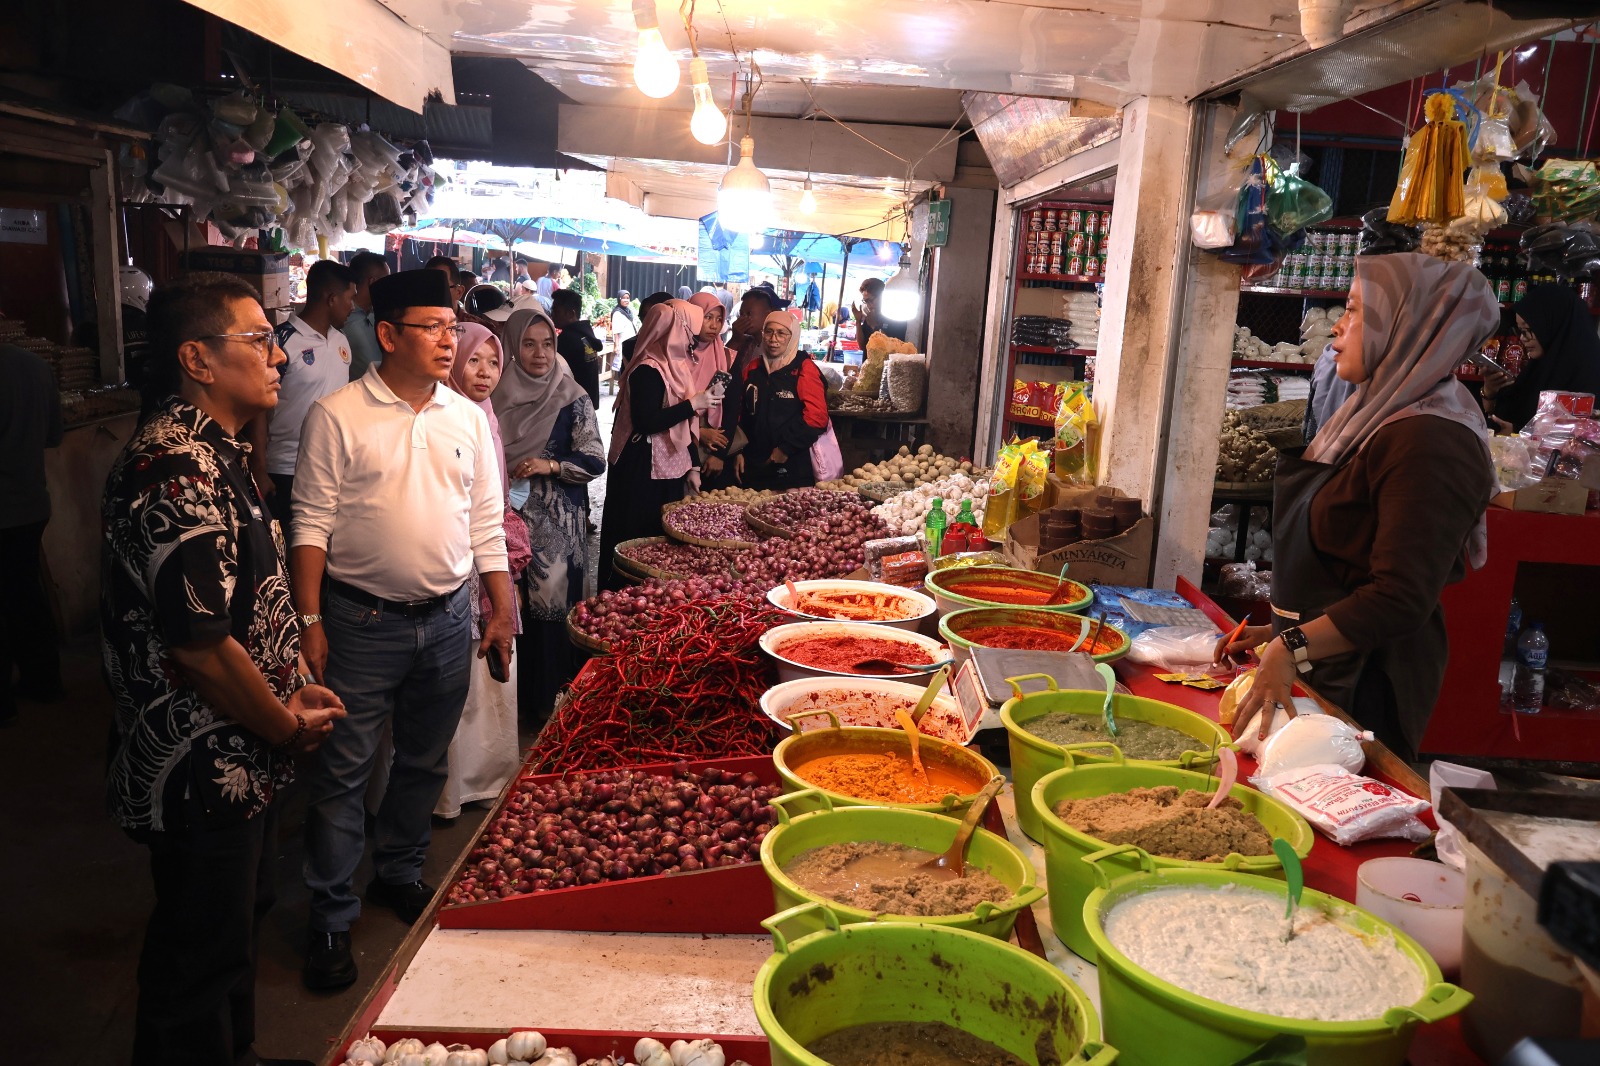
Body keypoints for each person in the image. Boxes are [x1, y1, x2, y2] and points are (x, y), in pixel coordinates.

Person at [102, 273, 346, 1066]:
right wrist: (284, 726)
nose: (277, 357)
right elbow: (200, 645)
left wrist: (289, 680)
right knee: (197, 960)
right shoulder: (174, 466)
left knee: (234, 931)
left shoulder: (221, 451)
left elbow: (242, 604)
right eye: (258, 340)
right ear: (197, 359)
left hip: (243, 753)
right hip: (199, 766)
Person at [291, 268, 512, 990]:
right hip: (359, 623)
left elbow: (485, 524)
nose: (450, 341)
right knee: (343, 771)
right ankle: (330, 915)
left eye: (453, 327)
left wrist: (500, 606)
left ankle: (398, 871)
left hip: (447, 620)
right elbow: (310, 524)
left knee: (422, 759)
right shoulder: (337, 415)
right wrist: (310, 619)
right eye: (433, 328)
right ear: (388, 334)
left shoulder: (467, 417)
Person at [1216, 253, 1500, 759]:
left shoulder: (1431, 440)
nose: (1337, 328)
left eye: (1353, 310)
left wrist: (1290, 646)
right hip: (1324, 665)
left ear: (1410, 325)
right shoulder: (1375, 414)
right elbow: (1347, 561)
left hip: (1366, 681)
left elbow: (1399, 597)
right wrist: (1277, 630)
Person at [493, 307, 607, 722]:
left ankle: (548, 703)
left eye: (546, 344)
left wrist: (551, 466)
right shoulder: (493, 394)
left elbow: (595, 458)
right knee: (509, 607)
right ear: (512, 346)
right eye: (528, 344)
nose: (540, 354)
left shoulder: (572, 396)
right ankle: (511, 705)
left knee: (551, 611)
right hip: (504, 521)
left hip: (557, 526)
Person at [437, 323, 532, 817]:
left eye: (494, 363)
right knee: (460, 672)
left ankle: (486, 777)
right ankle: (451, 789)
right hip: (458, 558)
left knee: (490, 663)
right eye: (473, 360)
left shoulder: (485, 417)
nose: (485, 372)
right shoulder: (445, 418)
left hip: (491, 556)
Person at [598, 300, 714, 591]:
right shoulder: (648, 369)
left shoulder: (676, 367)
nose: (692, 342)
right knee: (634, 540)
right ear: (676, 331)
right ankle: (624, 599)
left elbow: (683, 426)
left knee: (658, 542)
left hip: (668, 467)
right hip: (641, 470)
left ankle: (654, 598)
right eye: (689, 334)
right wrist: (693, 404)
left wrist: (693, 465)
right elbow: (647, 421)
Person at [250, 259, 356, 529]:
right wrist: (259, 468)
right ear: (331, 299)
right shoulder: (282, 341)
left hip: (334, 467)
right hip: (286, 469)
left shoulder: (342, 341)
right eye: (350, 299)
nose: (353, 307)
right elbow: (258, 408)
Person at [0, 342, 64, 722]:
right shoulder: (36, 367)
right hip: (32, 505)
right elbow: (54, 435)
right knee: (25, 594)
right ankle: (44, 681)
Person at [717, 311, 830, 491]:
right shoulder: (753, 368)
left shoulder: (804, 368)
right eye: (768, 332)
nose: (773, 339)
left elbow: (817, 417)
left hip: (792, 468)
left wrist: (786, 448)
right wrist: (738, 449)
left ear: (792, 337)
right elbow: (739, 412)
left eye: (781, 333)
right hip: (754, 466)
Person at [1480, 283, 1600, 431]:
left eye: (1528, 330)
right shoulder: (1538, 368)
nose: (1522, 338)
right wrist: (1490, 391)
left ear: (1553, 325)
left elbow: (1585, 436)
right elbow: (1499, 418)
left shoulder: (1590, 375)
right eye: (1520, 330)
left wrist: (1517, 432)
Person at [687, 290, 734, 478]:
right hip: (676, 444)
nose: (714, 325)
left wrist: (719, 454)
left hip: (711, 447)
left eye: (719, 319)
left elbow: (731, 409)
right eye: (707, 317)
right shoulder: (675, 354)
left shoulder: (727, 358)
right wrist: (698, 432)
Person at [550, 286, 602, 407]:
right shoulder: (586, 333)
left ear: (570, 314)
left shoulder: (567, 339)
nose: (552, 315)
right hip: (589, 399)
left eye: (556, 311)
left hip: (574, 403)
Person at [343, 251, 390, 380]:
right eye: (386, 281)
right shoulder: (342, 319)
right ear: (373, 282)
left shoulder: (380, 315)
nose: (389, 287)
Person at [727, 284, 782, 376]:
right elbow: (722, 366)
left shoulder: (776, 346)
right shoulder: (745, 342)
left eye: (749, 314)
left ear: (768, 315)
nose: (743, 319)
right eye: (741, 314)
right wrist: (735, 340)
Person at [619, 291, 673, 373]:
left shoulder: (684, 348)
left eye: (655, 316)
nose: (648, 320)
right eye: (644, 315)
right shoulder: (630, 346)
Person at [853, 277, 907, 345]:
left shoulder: (897, 316)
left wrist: (874, 326)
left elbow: (892, 347)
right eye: (865, 301)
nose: (868, 305)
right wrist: (858, 321)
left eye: (870, 300)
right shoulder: (871, 315)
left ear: (881, 296)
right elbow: (862, 345)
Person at [607, 290, 638, 393]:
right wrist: (616, 345)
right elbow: (616, 331)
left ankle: (626, 388)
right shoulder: (617, 313)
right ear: (619, 299)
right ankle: (622, 388)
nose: (626, 300)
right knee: (623, 366)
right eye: (623, 298)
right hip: (622, 343)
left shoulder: (628, 311)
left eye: (628, 298)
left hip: (630, 343)